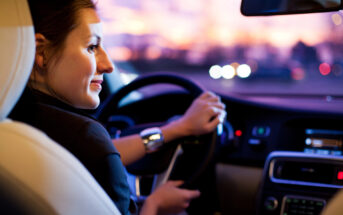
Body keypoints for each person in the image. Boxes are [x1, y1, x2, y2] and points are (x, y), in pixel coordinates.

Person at [10, 0, 226, 214]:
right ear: (42, 53)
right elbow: (99, 150)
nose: (108, 65)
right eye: (92, 47)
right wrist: (154, 205)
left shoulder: (16, 120)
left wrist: (177, 130)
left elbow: (106, 151)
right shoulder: (84, 137)